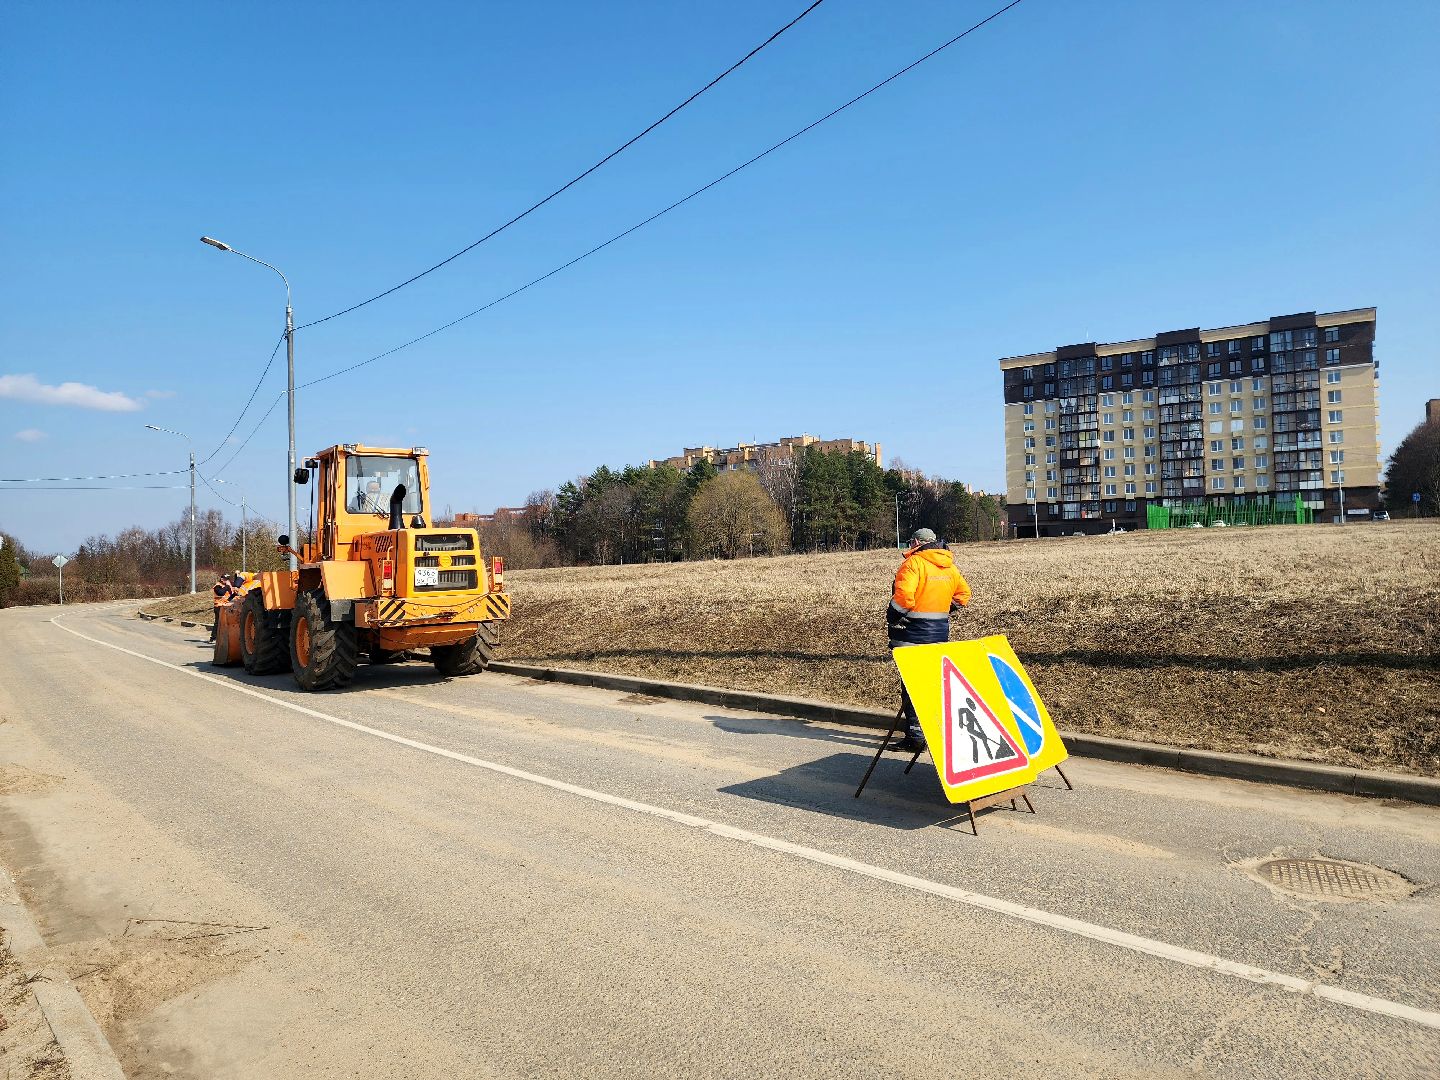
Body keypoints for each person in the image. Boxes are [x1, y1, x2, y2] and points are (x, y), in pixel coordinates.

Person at [887, 527, 972, 753]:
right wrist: (944, 610)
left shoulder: (914, 564)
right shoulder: (949, 567)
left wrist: (892, 615)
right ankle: (934, 733)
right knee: (933, 686)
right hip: (939, 635)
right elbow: (964, 596)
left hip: (911, 635)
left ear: (916, 542)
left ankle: (916, 738)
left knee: (911, 688)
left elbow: (904, 598)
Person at [209, 573, 234, 641]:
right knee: (218, 622)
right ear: (222, 579)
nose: (227, 580)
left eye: (228, 579)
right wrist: (227, 586)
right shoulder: (218, 586)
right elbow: (221, 593)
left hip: (226, 606)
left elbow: (232, 595)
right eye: (226, 579)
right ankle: (213, 637)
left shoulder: (228, 586)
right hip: (219, 606)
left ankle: (223, 637)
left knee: (227, 622)